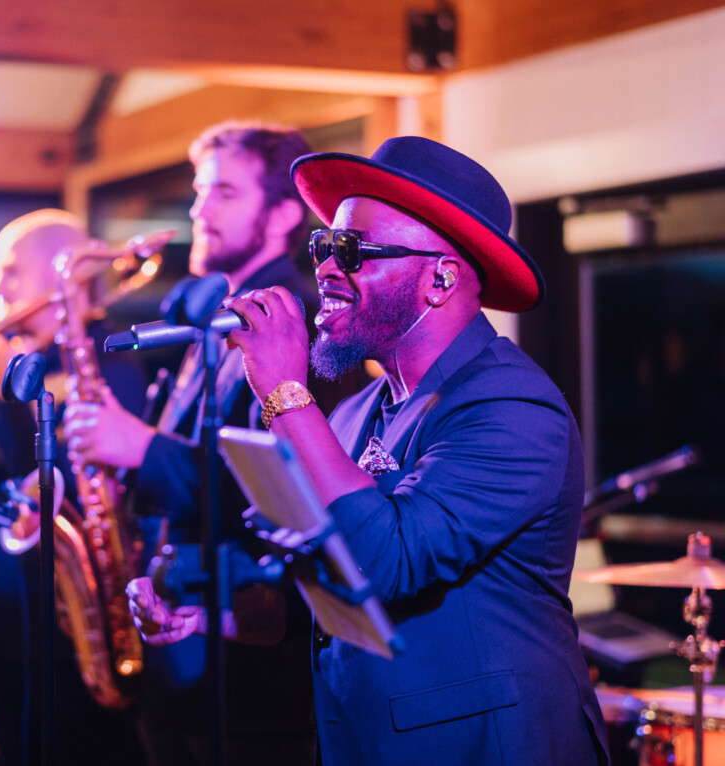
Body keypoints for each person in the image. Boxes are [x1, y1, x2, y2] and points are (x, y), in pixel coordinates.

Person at [133, 135, 611, 764]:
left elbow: (385, 561)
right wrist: (214, 617)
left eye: (352, 251)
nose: (327, 269)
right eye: (324, 246)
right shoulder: (358, 412)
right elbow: (336, 592)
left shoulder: (513, 407)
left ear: (439, 278)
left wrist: (282, 391)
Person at [65, 121, 327, 766]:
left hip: (249, 676)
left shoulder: (292, 322)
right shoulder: (218, 314)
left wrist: (141, 448)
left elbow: (281, 487)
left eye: (225, 193)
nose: (199, 210)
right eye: (199, 191)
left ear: (282, 214)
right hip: (184, 651)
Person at [0, 208, 147, 766]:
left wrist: (7, 400)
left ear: (59, 273)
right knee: (12, 735)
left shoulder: (108, 355)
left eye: (11, 271)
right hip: (5, 603)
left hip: (75, 613)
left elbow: (73, 475)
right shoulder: (12, 360)